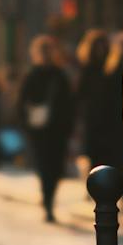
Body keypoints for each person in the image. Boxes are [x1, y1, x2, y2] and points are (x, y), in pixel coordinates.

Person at [17, 35, 77, 223]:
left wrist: (69, 127)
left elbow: (69, 103)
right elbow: (21, 103)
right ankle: (48, 200)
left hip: (57, 130)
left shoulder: (59, 75)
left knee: (56, 167)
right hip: (39, 131)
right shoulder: (32, 75)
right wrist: (26, 125)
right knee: (44, 166)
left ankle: (49, 196)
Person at [75, 30, 123, 191]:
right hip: (94, 123)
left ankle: (108, 188)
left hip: (111, 123)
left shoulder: (112, 70)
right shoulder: (87, 70)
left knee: (112, 158)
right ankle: (98, 187)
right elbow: (80, 96)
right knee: (96, 158)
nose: (100, 50)